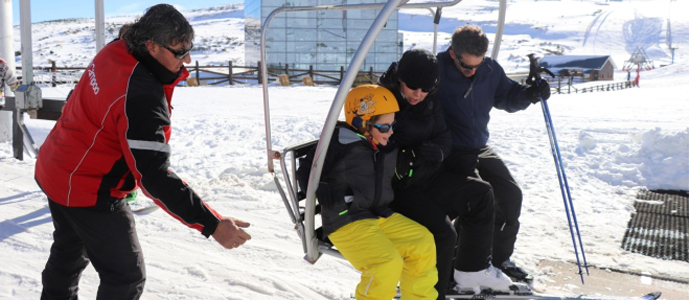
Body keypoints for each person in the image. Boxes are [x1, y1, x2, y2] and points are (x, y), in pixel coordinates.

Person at [34, 4, 251, 299]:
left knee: (68, 252)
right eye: (179, 52)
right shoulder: (141, 96)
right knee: (125, 277)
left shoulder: (117, 49)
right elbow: (154, 176)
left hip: (55, 166)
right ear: (150, 45)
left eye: (190, 49)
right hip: (87, 188)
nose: (187, 60)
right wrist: (212, 224)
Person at [379, 49, 506, 296]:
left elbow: (443, 137)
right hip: (398, 189)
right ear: (400, 78)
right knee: (443, 234)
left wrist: (436, 152)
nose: (419, 94)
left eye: (426, 88)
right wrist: (414, 157)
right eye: (413, 86)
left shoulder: (429, 98)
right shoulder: (382, 101)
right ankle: (432, 293)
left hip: (427, 177)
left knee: (480, 193)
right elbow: (378, 149)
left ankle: (469, 272)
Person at [297, 85, 438, 300]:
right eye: (384, 126)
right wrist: (319, 187)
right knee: (386, 263)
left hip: (377, 214)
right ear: (362, 122)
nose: (390, 131)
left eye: (393, 125)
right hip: (346, 220)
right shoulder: (337, 142)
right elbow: (307, 170)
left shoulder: (381, 145)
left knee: (422, 242)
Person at [435, 24, 551, 286]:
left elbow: (508, 97)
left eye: (478, 64)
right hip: (449, 151)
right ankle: (460, 263)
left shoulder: (490, 69)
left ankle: (497, 261)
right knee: (478, 197)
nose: (473, 71)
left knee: (510, 195)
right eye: (467, 67)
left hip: (478, 146)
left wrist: (530, 94)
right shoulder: (436, 70)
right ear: (453, 54)